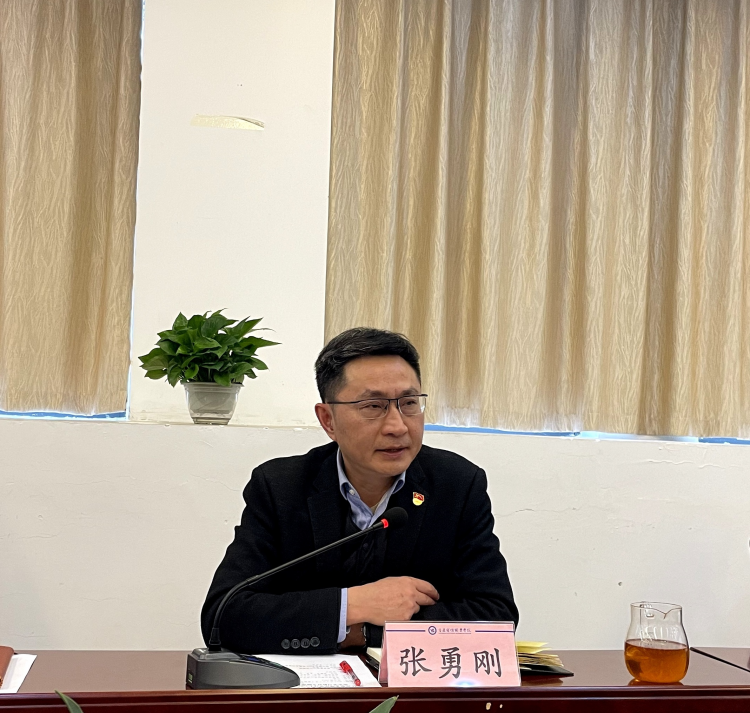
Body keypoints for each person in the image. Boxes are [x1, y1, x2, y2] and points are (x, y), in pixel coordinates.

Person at [201, 327, 518, 654]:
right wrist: (352, 604)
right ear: (328, 420)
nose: (397, 426)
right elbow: (224, 616)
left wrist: (364, 633)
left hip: (414, 683)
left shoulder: (458, 485)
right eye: (373, 406)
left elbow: (496, 619)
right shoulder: (280, 487)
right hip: (306, 685)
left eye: (409, 403)